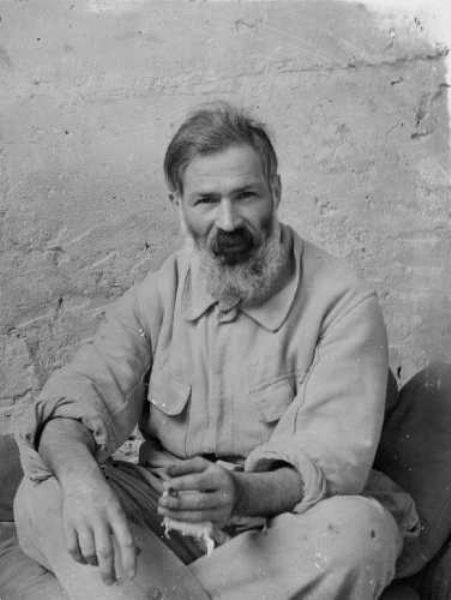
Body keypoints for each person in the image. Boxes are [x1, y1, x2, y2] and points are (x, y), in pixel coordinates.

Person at [13, 101, 418, 600]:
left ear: (275, 191)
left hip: (277, 524)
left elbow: (331, 461)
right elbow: (80, 394)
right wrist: (81, 482)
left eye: (245, 195)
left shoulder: (344, 302)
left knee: (361, 534)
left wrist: (241, 492)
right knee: (42, 493)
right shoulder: (161, 291)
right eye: (206, 200)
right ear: (178, 205)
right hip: (166, 509)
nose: (228, 222)